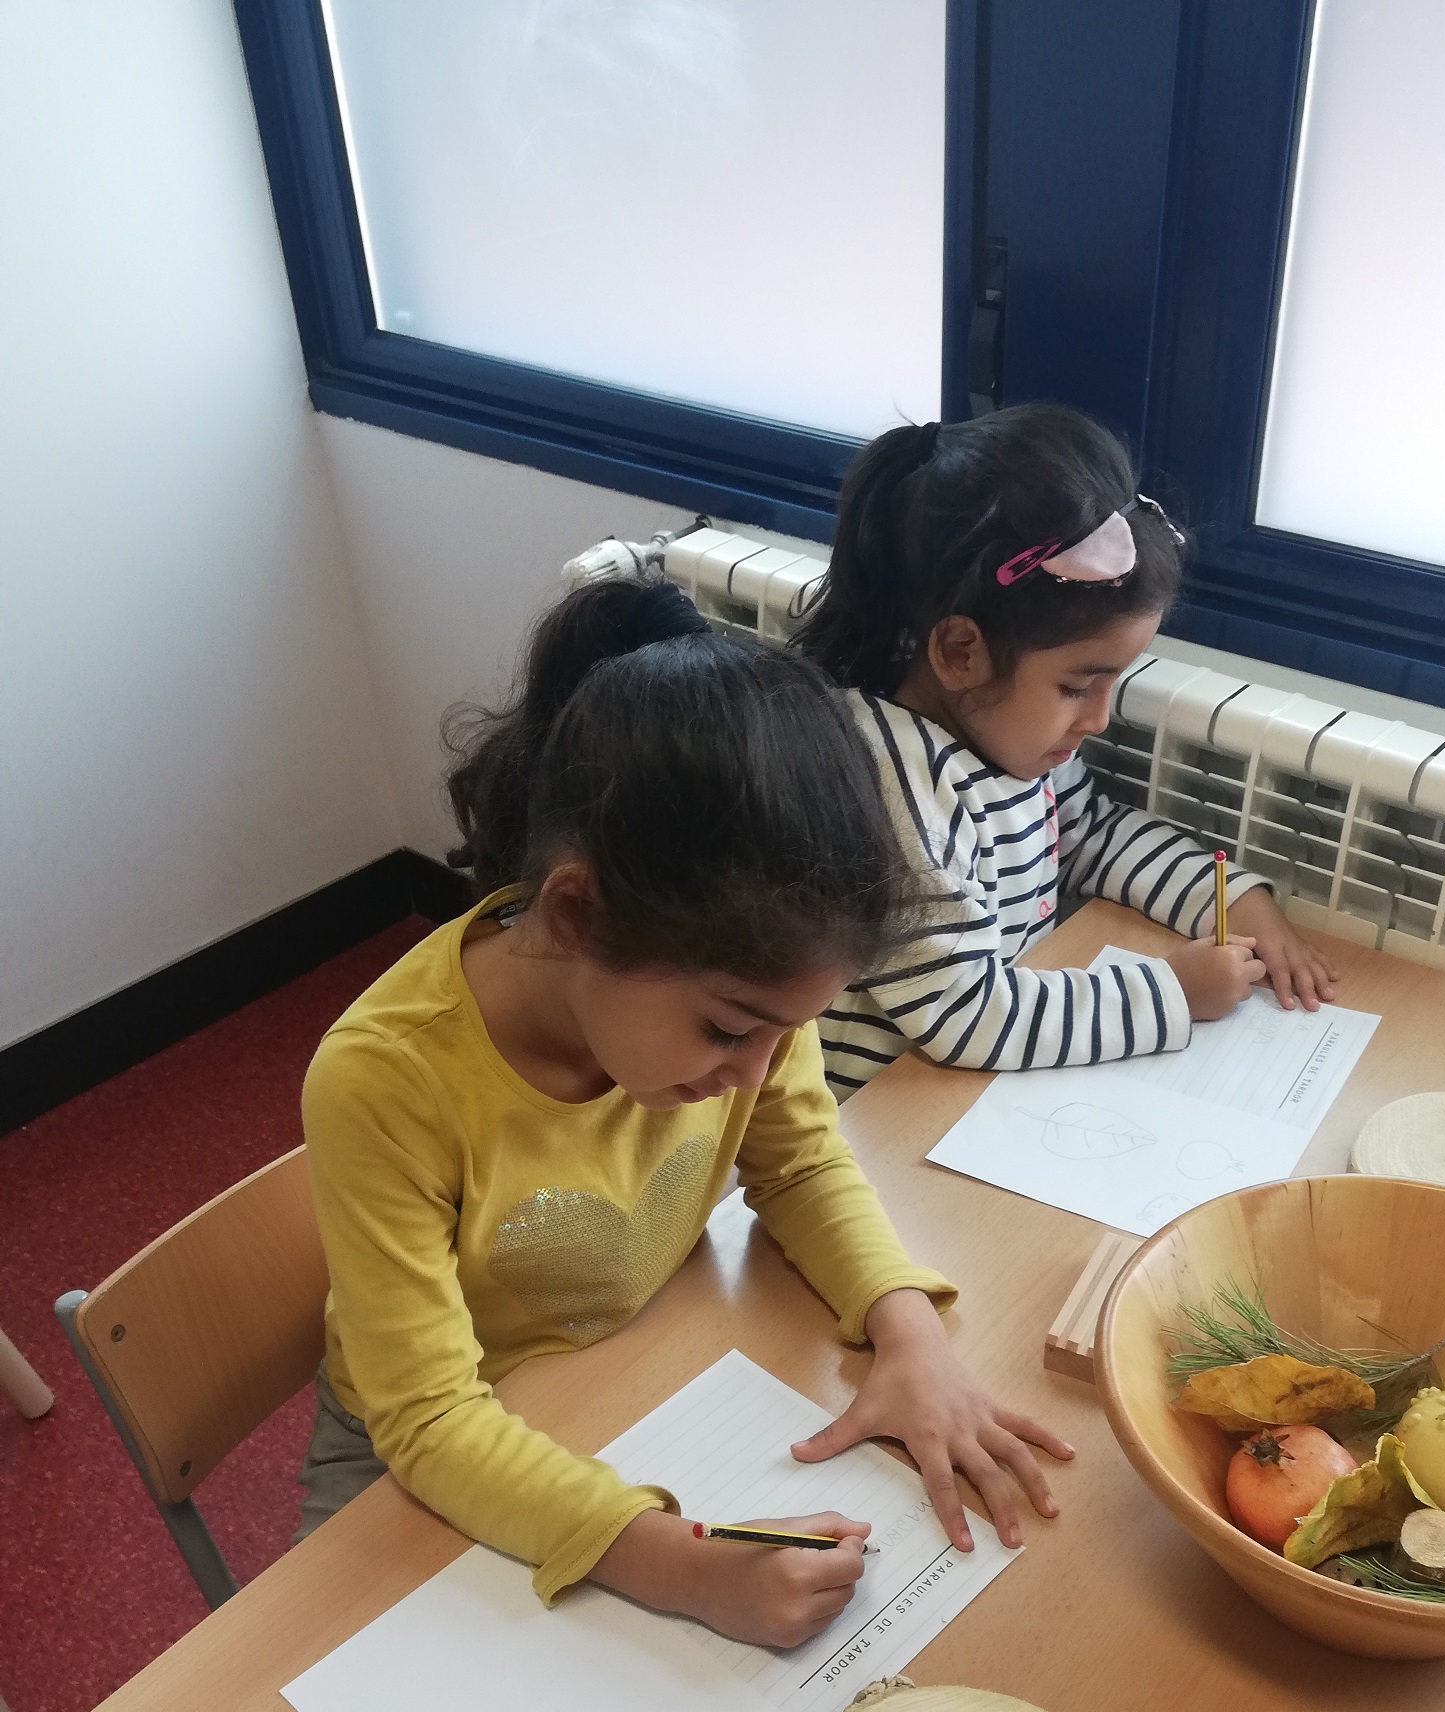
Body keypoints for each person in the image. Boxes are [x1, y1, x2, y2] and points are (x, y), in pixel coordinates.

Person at [297, 577, 1070, 1651]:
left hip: (632, 1362)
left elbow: (799, 1164)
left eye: (784, 1034)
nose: (755, 1074)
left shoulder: (748, 995)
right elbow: (428, 1419)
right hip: (419, 1437)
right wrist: (680, 1567)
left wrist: (908, 1332)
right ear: (577, 914)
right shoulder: (384, 1080)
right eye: (727, 1031)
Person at [792, 404, 1338, 1100]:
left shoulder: (1006, 738)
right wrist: (1171, 993)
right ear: (960, 651)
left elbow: (1089, 837)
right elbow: (968, 1017)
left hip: (971, 1091)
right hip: (881, 1114)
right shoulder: (890, 784)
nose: (1100, 719)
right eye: (1077, 686)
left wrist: (1229, 896)